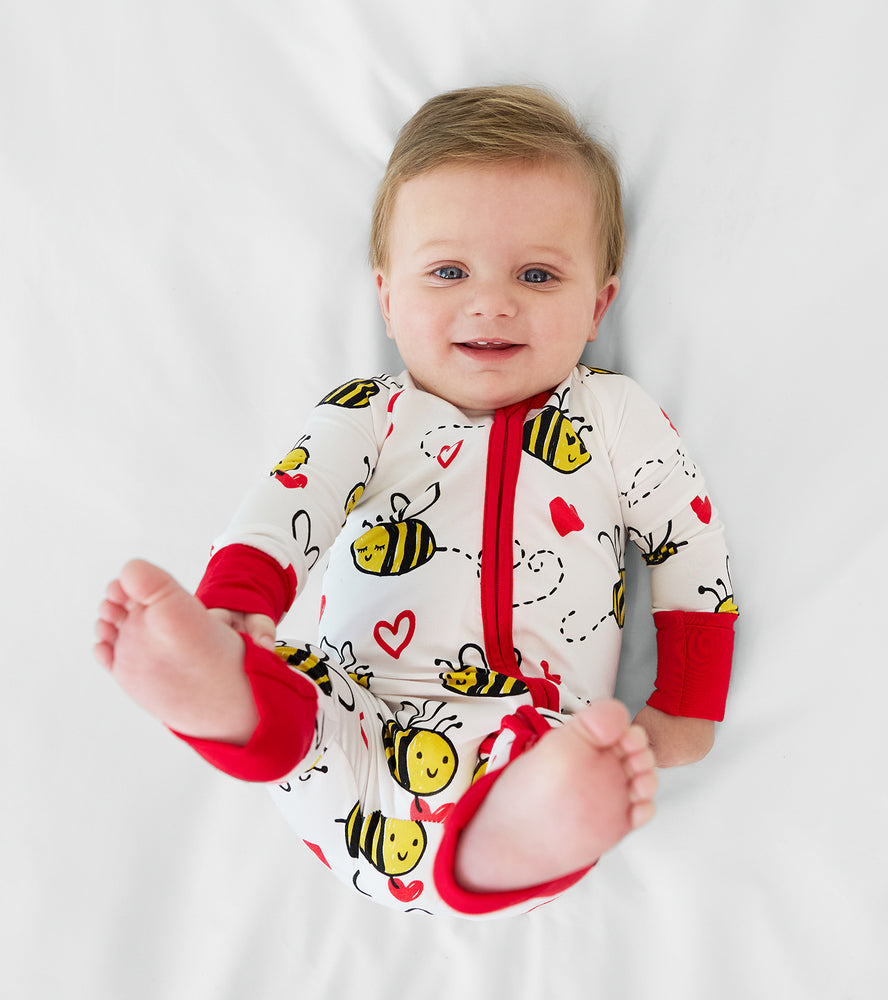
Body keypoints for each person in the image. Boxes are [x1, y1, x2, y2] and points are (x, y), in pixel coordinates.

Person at [94, 85, 738, 918]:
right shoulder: (369, 415)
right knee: (295, 712)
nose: (492, 302)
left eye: (538, 274)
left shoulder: (613, 416)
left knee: (560, 778)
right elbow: (293, 499)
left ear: (598, 305)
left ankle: (513, 837)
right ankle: (226, 692)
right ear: (389, 298)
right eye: (448, 272)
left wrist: (684, 705)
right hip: (352, 717)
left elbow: (687, 539)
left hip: (531, 737)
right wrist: (239, 607)